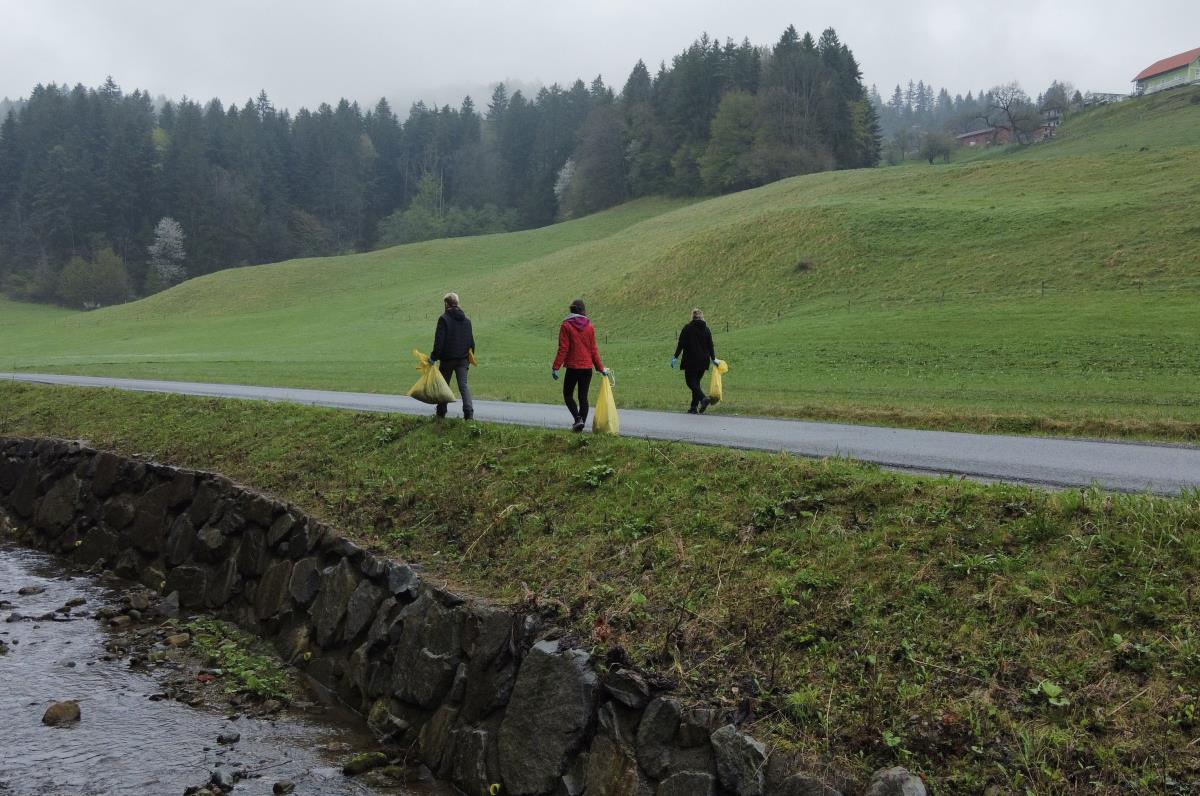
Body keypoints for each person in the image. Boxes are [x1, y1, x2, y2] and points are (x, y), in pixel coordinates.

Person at [552, 298, 610, 432]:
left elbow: (563, 348)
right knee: (583, 398)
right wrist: (600, 368)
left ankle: (578, 420)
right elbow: (593, 350)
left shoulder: (566, 326)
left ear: (571, 310)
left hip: (573, 368)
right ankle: (579, 428)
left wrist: (556, 367)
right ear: (583, 310)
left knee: (568, 395)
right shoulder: (590, 327)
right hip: (587, 368)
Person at [428, 292, 475, 420]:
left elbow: (439, 341)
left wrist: (433, 357)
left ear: (446, 303)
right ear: (457, 303)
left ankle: (441, 413)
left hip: (447, 360)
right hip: (463, 359)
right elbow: (471, 342)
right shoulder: (467, 321)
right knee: (463, 386)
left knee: (444, 386)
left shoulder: (443, 319)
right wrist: (469, 359)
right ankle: (469, 414)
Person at [672, 308, 717, 414]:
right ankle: (693, 407)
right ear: (702, 317)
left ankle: (703, 398)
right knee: (696, 383)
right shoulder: (707, 329)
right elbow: (710, 345)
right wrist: (713, 358)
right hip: (704, 361)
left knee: (690, 382)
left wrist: (675, 357)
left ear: (692, 317)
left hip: (691, 360)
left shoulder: (687, 328)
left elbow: (681, 344)